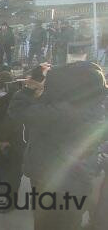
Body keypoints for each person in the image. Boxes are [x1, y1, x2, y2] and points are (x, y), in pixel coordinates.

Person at [8, 62, 106, 230]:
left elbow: (17, 110)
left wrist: (29, 87)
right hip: (79, 182)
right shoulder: (96, 107)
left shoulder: (62, 112)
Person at [0, 71, 24, 213]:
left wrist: (2, 139)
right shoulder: (16, 97)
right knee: (10, 171)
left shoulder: (7, 98)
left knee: (9, 171)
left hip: (9, 140)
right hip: (9, 139)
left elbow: (6, 120)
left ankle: (7, 199)